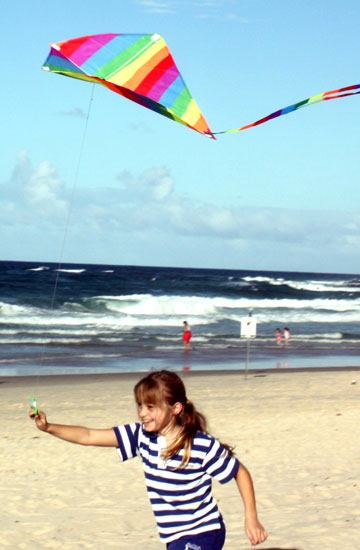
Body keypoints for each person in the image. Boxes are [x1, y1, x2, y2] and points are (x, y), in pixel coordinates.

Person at [29, 370, 268, 549]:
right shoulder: (141, 436)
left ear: (175, 409)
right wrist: (48, 427)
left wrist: (251, 517)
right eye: (140, 405)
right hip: (173, 536)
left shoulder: (200, 445)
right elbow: (88, 435)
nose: (142, 413)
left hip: (204, 531)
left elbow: (240, 472)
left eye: (150, 406)